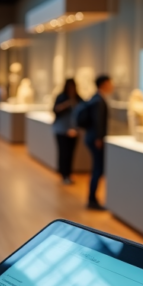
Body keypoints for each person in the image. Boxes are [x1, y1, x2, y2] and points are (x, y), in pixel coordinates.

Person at [82, 74, 113, 210]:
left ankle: (92, 198)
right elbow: (98, 121)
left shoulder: (96, 98)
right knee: (97, 169)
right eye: (110, 83)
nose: (112, 86)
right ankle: (92, 199)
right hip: (95, 139)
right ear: (104, 84)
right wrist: (99, 138)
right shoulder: (98, 100)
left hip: (93, 137)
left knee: (97, 169)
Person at [53, 78, 81, 185]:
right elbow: (55, 110)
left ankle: (68, 173)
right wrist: (66, 105)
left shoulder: (78, 98)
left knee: (70, 153)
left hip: (74, 130)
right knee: (63, 153)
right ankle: (63, 174)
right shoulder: (61, 97)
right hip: (61, 129)